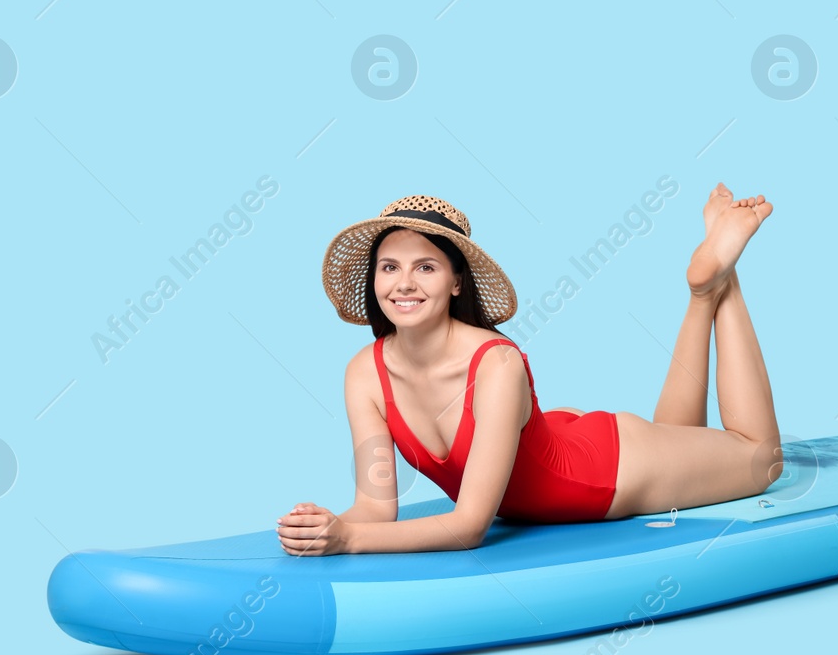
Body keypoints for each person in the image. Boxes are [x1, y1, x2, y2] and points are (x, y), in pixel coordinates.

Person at [276, 184, 782, 555]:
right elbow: (374, 508)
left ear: (456, 282)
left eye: (425, 266)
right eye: (390, 267)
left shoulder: (497, 363)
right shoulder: (363, 373)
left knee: (762, 458)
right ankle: (703, 292)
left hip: (606, 472)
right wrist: (326, 527)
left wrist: (351, 541)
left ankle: (720, 282)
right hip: (547, 441)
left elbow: (470, 525)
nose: (403, 284)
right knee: (680, 436)